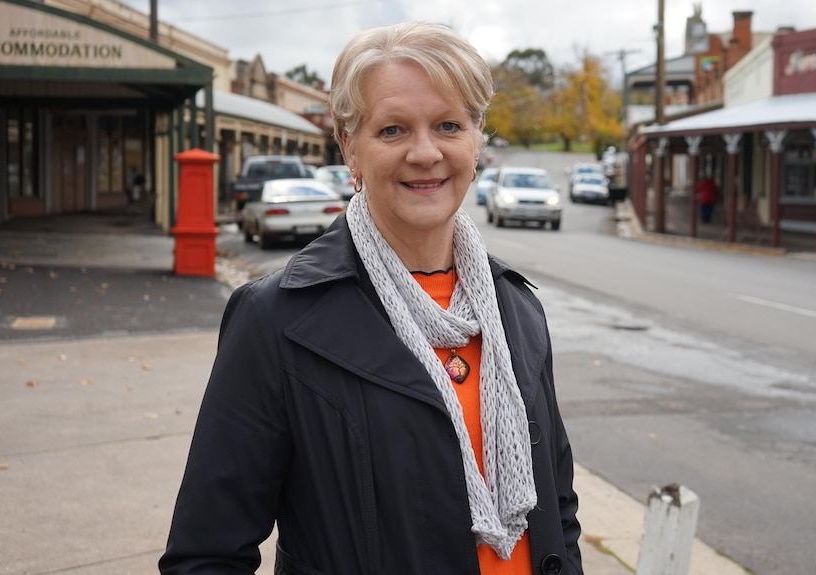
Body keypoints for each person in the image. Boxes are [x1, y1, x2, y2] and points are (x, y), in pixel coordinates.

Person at [159, 21, 584, 575]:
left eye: (449, 125)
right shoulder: (276, 320)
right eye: (393, 130)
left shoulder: (517, 310)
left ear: (477, 141)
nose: (425, 152)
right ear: (350, 148)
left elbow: (558, 510)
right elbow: (207, 555)